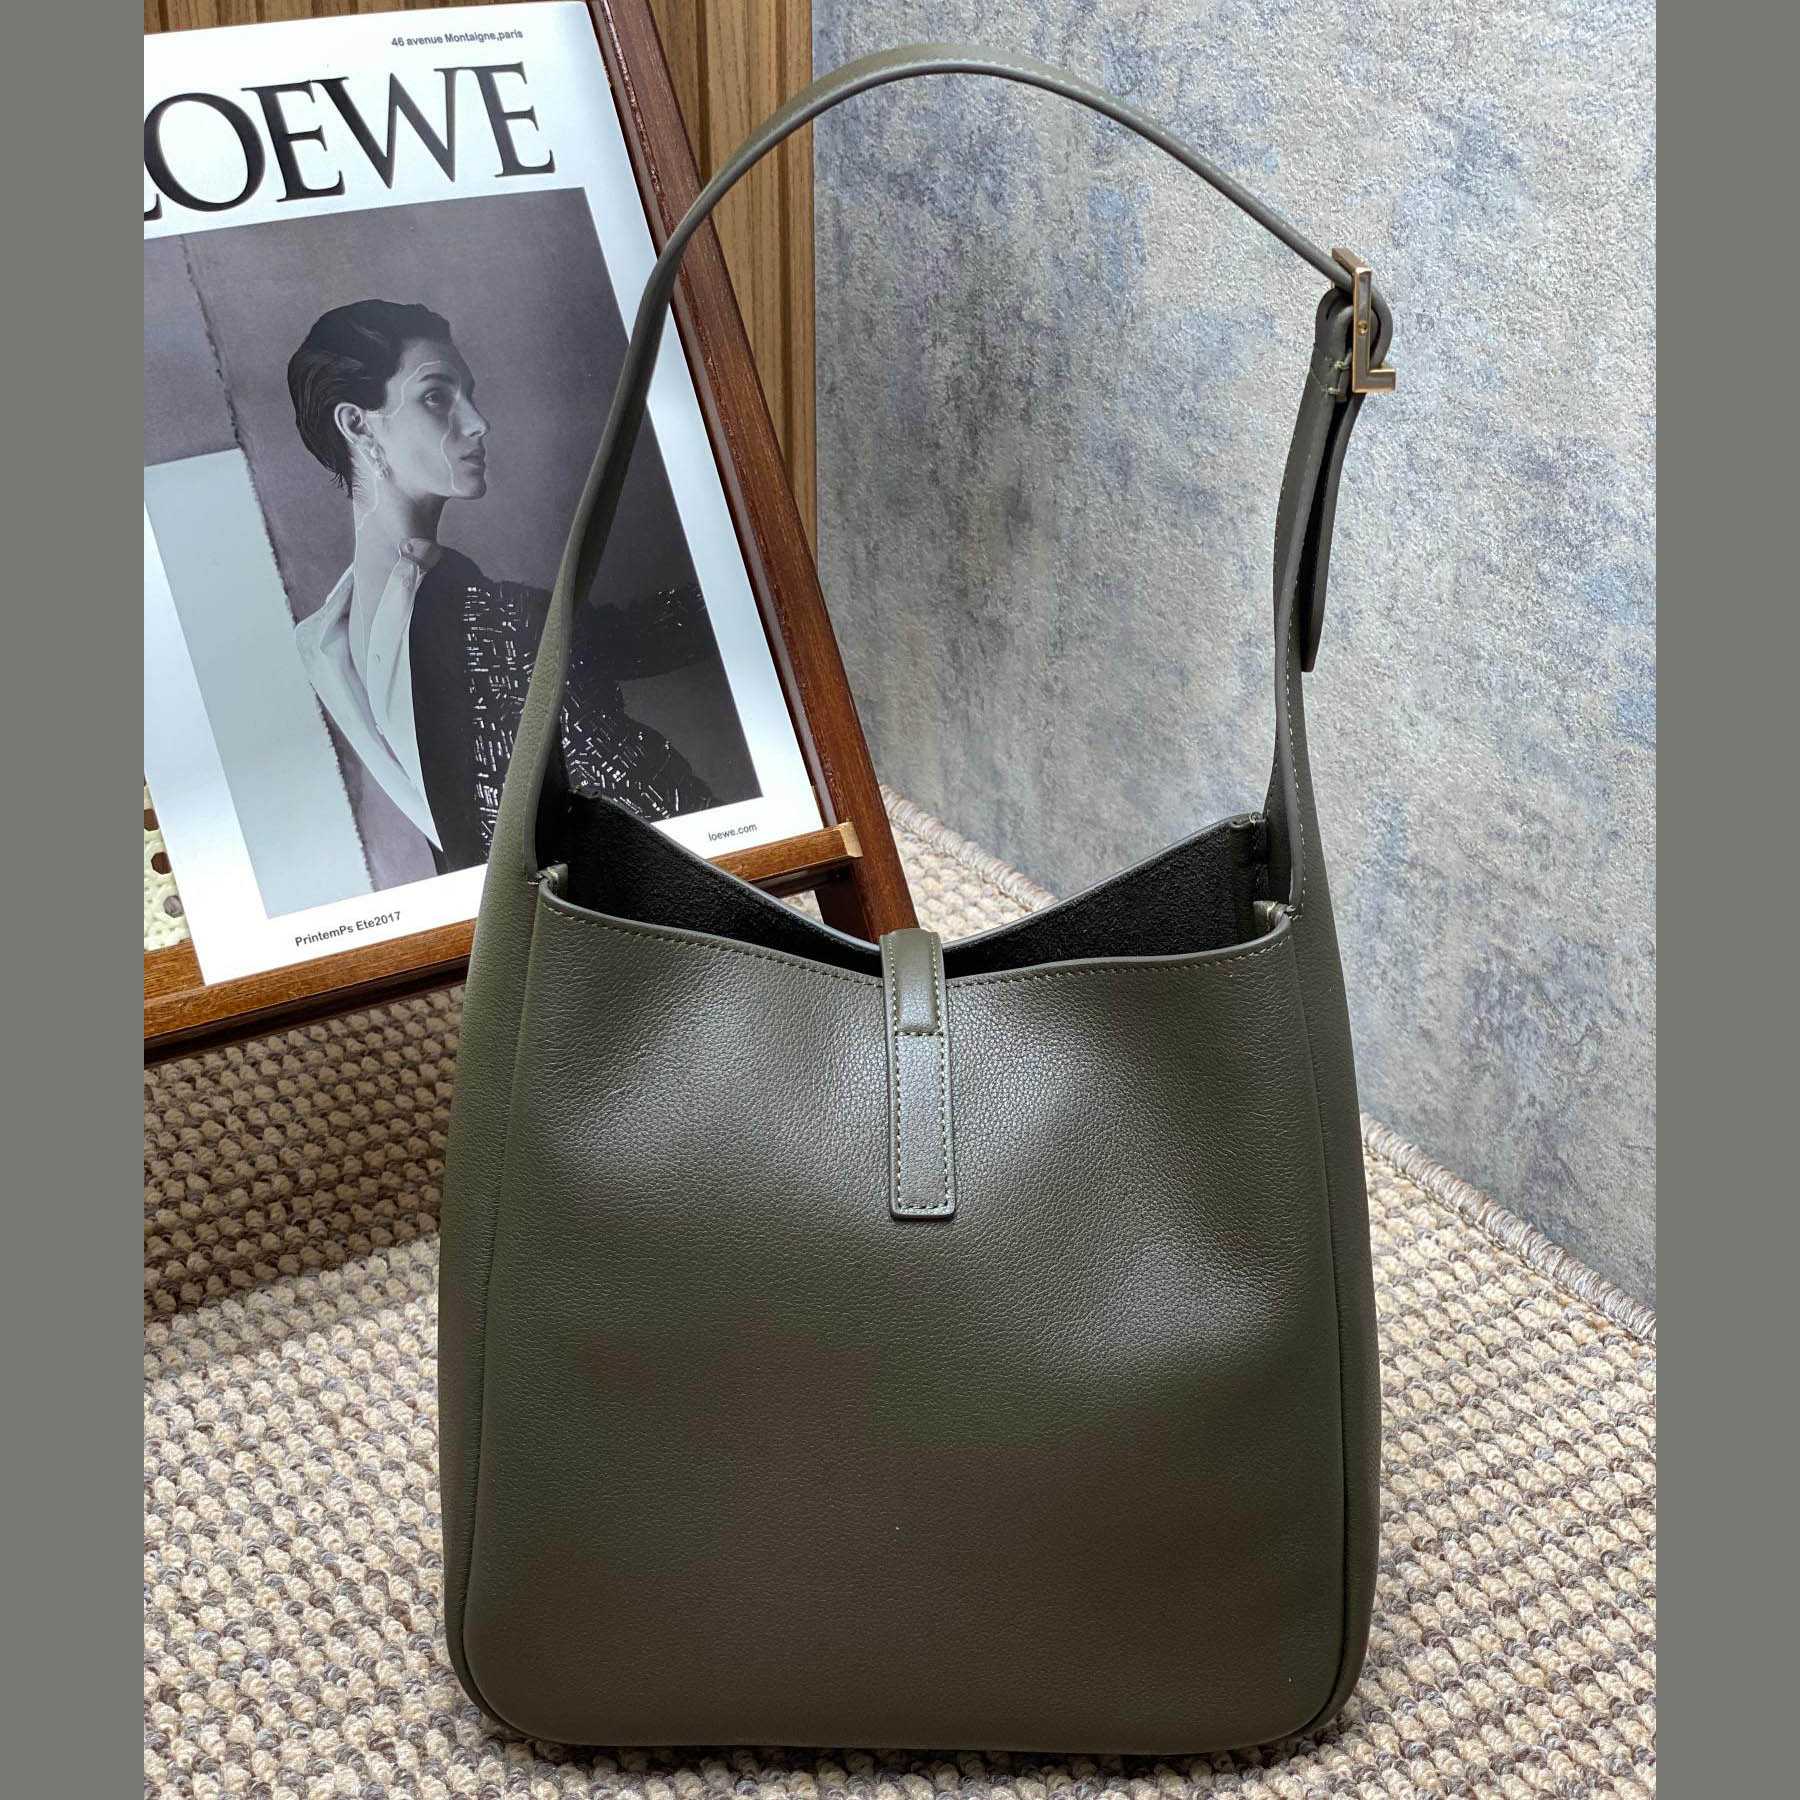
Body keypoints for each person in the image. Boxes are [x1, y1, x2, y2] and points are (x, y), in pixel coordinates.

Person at [286, 298, 719, 877]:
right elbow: (668, 817)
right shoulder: (473, 623)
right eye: (436, 396)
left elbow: (614, 639)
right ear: (357, 424)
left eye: (468, 394)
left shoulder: (331, 638)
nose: (477, 422)